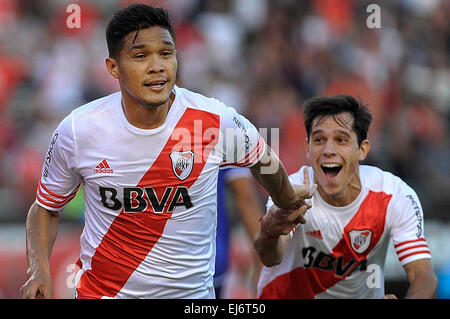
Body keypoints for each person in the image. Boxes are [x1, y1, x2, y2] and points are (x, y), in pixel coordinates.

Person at [20, 4, 313, 299]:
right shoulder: (78, 130)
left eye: (166, 53)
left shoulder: (215, 121)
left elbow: (264, 161)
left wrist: (286, 200)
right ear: (113, 67)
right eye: (140, 55)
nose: (157, 66)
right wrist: (39, 270)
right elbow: (46, 208)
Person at [255, 95, 438, 299]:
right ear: (307, 148)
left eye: (341, 139)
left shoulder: (393, 194)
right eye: (319, 140)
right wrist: (269, 231)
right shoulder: (293, 190)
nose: (328, 150)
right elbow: (271, 257)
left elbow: (424, 276)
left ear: (362, 149)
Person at [214, 167, 263, 298]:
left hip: (157, 264)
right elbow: (246, 198)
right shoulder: (227, 145)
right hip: (209, 261)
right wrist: (262, 260)